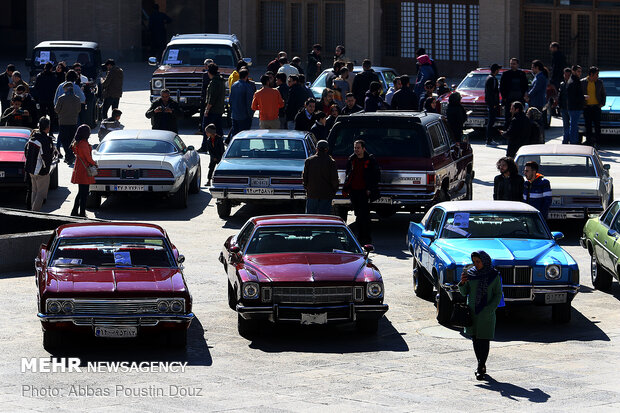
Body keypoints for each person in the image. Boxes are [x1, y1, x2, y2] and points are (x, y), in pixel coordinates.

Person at [458, 250, 503, 381]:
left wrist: (490, 309)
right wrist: (462, 283)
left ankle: (480, 366)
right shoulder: (471, 274)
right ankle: (480, 364)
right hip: (472, 312)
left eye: (478, 261)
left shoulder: (493, 275)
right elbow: (464, 292)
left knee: (484, 339)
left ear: (485, 261)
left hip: (486, 313)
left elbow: (498, 294)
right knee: (475, 339)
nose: (476, 264)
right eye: (474, 262)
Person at [342, 140, 380, 244]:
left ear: (363, 149)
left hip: (364, 191)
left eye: (358, 148)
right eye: (355, 148)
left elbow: (375, 176)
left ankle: (366, 237)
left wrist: (369, 189)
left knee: (365, 215)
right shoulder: (352, 159)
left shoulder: (370, 160)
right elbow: (348, 174)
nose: (356, 150)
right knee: (358, 215)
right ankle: (359, 237)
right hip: (354, 191)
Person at [24, 117, 55, 211]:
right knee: (41, 194)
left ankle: (32, 213)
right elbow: (45, 157)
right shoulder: (44, 140)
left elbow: (26, 152)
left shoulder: (32, 138)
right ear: (48, 127)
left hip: (31, 170)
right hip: (40, 171)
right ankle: (35, 214)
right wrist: (46, 170)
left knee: (34, 191)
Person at [302, 140, 339, 215]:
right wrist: (334, 190)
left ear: (317, 149)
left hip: (312, 193)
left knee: (310, 217)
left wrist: (307, 188)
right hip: (326, 194)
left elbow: (305, 178)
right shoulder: (331, 162)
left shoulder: (309, 161)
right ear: (327, 149)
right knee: (324, 217)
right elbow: (334, 180)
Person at [70, 124, 96, 217]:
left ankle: (75, 211)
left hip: (80, 169)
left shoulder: (77, 143)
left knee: (81, 192)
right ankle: (81, 212)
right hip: (84, 170)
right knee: (84, 194)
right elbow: (88, 158)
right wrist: (95, 163)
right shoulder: (84, 144)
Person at [54, 82, 82, 164]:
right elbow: (79, 110)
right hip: (73, 122)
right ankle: (68, 157)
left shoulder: (61, 98)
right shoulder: (77, 99)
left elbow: (57, 110)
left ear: (65, 89)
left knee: (64, 140)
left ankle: (70, 155)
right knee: (71, 140)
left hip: (63, 122)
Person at [581, 66, 606, 149]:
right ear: (591, 74)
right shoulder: (583, 82)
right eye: (596, 74)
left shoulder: (599, 82)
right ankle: (589, 143)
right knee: (588, 126)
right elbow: (579, 94)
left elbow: (603, 94)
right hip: (587, 107)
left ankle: (597, 143)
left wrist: (602, 104)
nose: (597, 76)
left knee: (597, 126)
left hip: (596, 107)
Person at [499, 58, 528, 128]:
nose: (512, 65)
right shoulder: (506, 74)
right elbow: (502, 87)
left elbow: (525, 86)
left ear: (517, 65)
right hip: (509, 100)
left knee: (520, 117)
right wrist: (504, 97)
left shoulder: (522, 74)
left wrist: (525, 95)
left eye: (514, 64)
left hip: (519, 99)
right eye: (511, 64)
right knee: (508, 118)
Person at [229, 68, 255, 139]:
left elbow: (230, 99)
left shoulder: (234, 85)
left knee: (235, 134)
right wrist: (251, 114)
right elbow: (249, 101)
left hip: (235, 114)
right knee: (244, 136)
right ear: (246, 76)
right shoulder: (247, 86)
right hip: (244, 116)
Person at [203, 63, 225, 138]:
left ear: (209, 72)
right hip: (219, 109)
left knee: (207, 129)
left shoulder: (214, 82)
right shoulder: (221, 80)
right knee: (218, 129)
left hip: (213, 110)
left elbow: (212, 98)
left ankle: (205, 146)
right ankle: (219, 144)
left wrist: (207, 110)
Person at [32, 63, 57, 127]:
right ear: (51, 68)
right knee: (52, 115)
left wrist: (38, 97)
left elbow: (36, 87)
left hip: (42, 98)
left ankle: (42, 128)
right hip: (51, 99)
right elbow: (55, 87)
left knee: (42, 115)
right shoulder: (53, 76)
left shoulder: (40, 76)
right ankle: (51, 130)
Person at [566, 65, 585, 145]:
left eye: (580, 71)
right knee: (573, 125)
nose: (580, 73)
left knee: (574, 125)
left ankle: (573, 140)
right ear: (573, 71)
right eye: (578, 71)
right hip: (574, 107)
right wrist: (583, 98)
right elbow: (573, 96)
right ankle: (573, 141)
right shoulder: (573, 82)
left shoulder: (575, 80)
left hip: (575, 107)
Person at [485, 64, 501, 146]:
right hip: (492, 104)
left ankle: (489, 139)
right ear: (495, 70)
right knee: (491, 122)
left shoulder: (489, 78)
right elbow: (492, 93)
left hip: (490, 103)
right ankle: (489, 139)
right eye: (498, 69)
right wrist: (494, 103)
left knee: (491, 122)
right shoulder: (492, 79)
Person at [557, 68, 572, 144]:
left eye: (568, 75)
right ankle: (565, 139)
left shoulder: (572, 84)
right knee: (565, 125)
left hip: (571, 108)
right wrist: (559, 106)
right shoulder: (562, 84)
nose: (566, 77)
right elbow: (560, 96)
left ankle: (570, 138)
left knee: (571, 125)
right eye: (565, 75)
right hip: (564, 108)